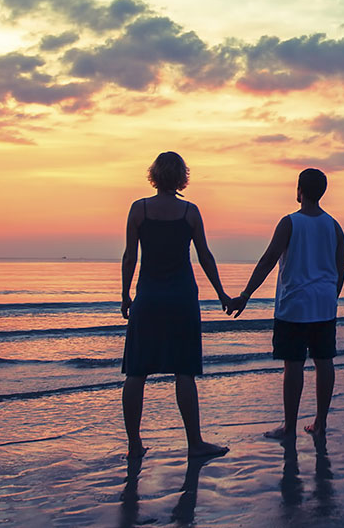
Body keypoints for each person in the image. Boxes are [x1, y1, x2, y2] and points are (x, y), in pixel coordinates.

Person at [121, 151, 231, 459]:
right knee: (184, 370)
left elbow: (130, 256)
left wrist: (124, 294)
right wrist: (222, 294)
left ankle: (134, 444)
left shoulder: (139, 210)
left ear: (154, 175)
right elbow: (205, 256)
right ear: (182, 176)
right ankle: (194, 443)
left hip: (149, 297)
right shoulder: (190, 212)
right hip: (182, 298)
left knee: (136, 371)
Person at [227, 167, 344, 444]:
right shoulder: (334, 225)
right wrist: (333, 294)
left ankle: (290, 426)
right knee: (324, 361)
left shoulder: (290, 222)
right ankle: (320, 422)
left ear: (299, 190)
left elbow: (269, 259)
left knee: (293, 365)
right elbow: (342, 264)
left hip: (294, 305)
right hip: (324, 304)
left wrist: (245, 294)